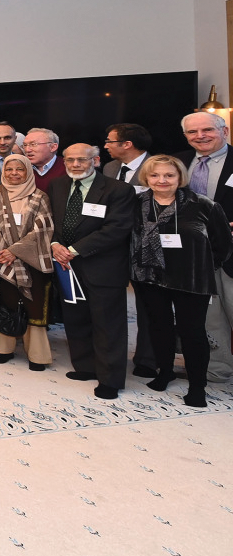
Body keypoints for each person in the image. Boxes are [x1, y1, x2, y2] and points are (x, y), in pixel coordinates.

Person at [131, 154, 233, 408]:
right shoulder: (136, 203)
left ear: (180, 178)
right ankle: (165, 372)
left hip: (191, 278)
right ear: (147, 177)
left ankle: (197, 386)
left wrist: (204, 266)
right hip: (149, 277)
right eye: (155, 175)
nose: (162, 180)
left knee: (193, 332)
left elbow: (223, 244)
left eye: (169, 175)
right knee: (159, 327)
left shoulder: (203, 204)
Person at [49, 143, 135, 400]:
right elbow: (51, 220)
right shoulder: (57, 185)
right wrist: (55, 244)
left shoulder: (118, 190)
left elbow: (116, 229)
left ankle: (110, 379)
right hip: (67, 265)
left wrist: (74, 249)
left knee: (108, 325)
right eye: (70, 160)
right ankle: (85, 367)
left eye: (82, 160)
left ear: (96, 161)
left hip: (103, 266)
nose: (76, 165)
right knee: (76, 319)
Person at [0, 154, 56, 371]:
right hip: (1, 260)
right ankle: (4, 349)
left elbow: (42, 230)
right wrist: (4, 253)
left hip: (32, 262)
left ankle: (37, 356)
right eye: (9, 169)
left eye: (19, 169)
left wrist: (16, 251)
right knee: (6, 303)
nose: (14, 174)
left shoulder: (40, 197)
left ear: (28, 172)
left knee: (34, 306)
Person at [174, 112, 233, 385]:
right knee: (210, 317)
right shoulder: (178, 162)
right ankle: (218, 370)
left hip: (231, 252)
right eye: (192, 132)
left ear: (225, 131)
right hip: (193, 255)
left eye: (207, 130)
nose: (200, 136)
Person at [102, 122, 156, 377]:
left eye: (110, 141)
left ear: (127, 144)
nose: (106, 146)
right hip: (113, 244)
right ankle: (111, 357)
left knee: (148, 304)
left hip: (146, 243)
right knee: (112, 302)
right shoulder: (110, 168)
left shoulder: (156, 167)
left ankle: (147, 359)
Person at [23, 128, 66, 193]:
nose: (27, 150)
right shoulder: (21, 169)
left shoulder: (67, 168)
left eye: (33, 144)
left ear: (53, 147)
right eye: (25, 145)